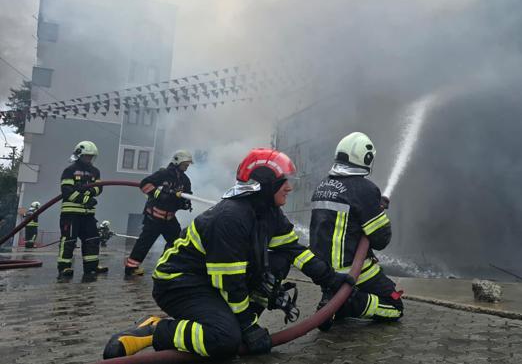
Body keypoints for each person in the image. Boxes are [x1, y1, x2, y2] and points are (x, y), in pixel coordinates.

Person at [103, 148, 354, 359]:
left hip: (211, 281)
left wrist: (330, 279)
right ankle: (157, 330)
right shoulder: (231, 217)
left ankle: (236, 321)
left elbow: (295, 251)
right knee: (224, 341)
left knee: (279, 259)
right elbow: (229, 281)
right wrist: (248, 327)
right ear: (265, 185)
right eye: (283, 182)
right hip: (180, 283)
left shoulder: (268, 212)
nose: (289, 188)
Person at [309, 132, 403, 331]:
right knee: (395, 306)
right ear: (367, 158)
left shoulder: (322, 185)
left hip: (322, 270)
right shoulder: (365, 189)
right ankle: (347, 303)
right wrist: (377, 212)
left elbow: (348, 223)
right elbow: (380, 240)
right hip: (351, 271)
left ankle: (335, 301)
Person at [124, 150, 194, 276]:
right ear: (177, 161)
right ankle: (131, 267)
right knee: (145, 243)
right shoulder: (164, 174)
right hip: (154, 217)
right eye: (185, 164)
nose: (187, 167)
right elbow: (144, 184)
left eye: (188, 165)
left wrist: (185, 203)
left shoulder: (185, 180)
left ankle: (167, 266)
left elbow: (187, 194)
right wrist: (160, 195)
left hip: (170, 219)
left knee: (177, 242)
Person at [57, 141, 107, 280]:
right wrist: (86, 199)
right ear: (79, 155)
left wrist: (91, 190)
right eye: (86, 156)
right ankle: (64, 267)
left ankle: (91, 267)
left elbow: (99, 188)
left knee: (92, 239)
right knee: (69, 241)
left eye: (91, 156)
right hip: (71, 214)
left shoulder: (95, 171)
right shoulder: (69, 171)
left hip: (88, 214)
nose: (89, 159)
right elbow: (67, 191)